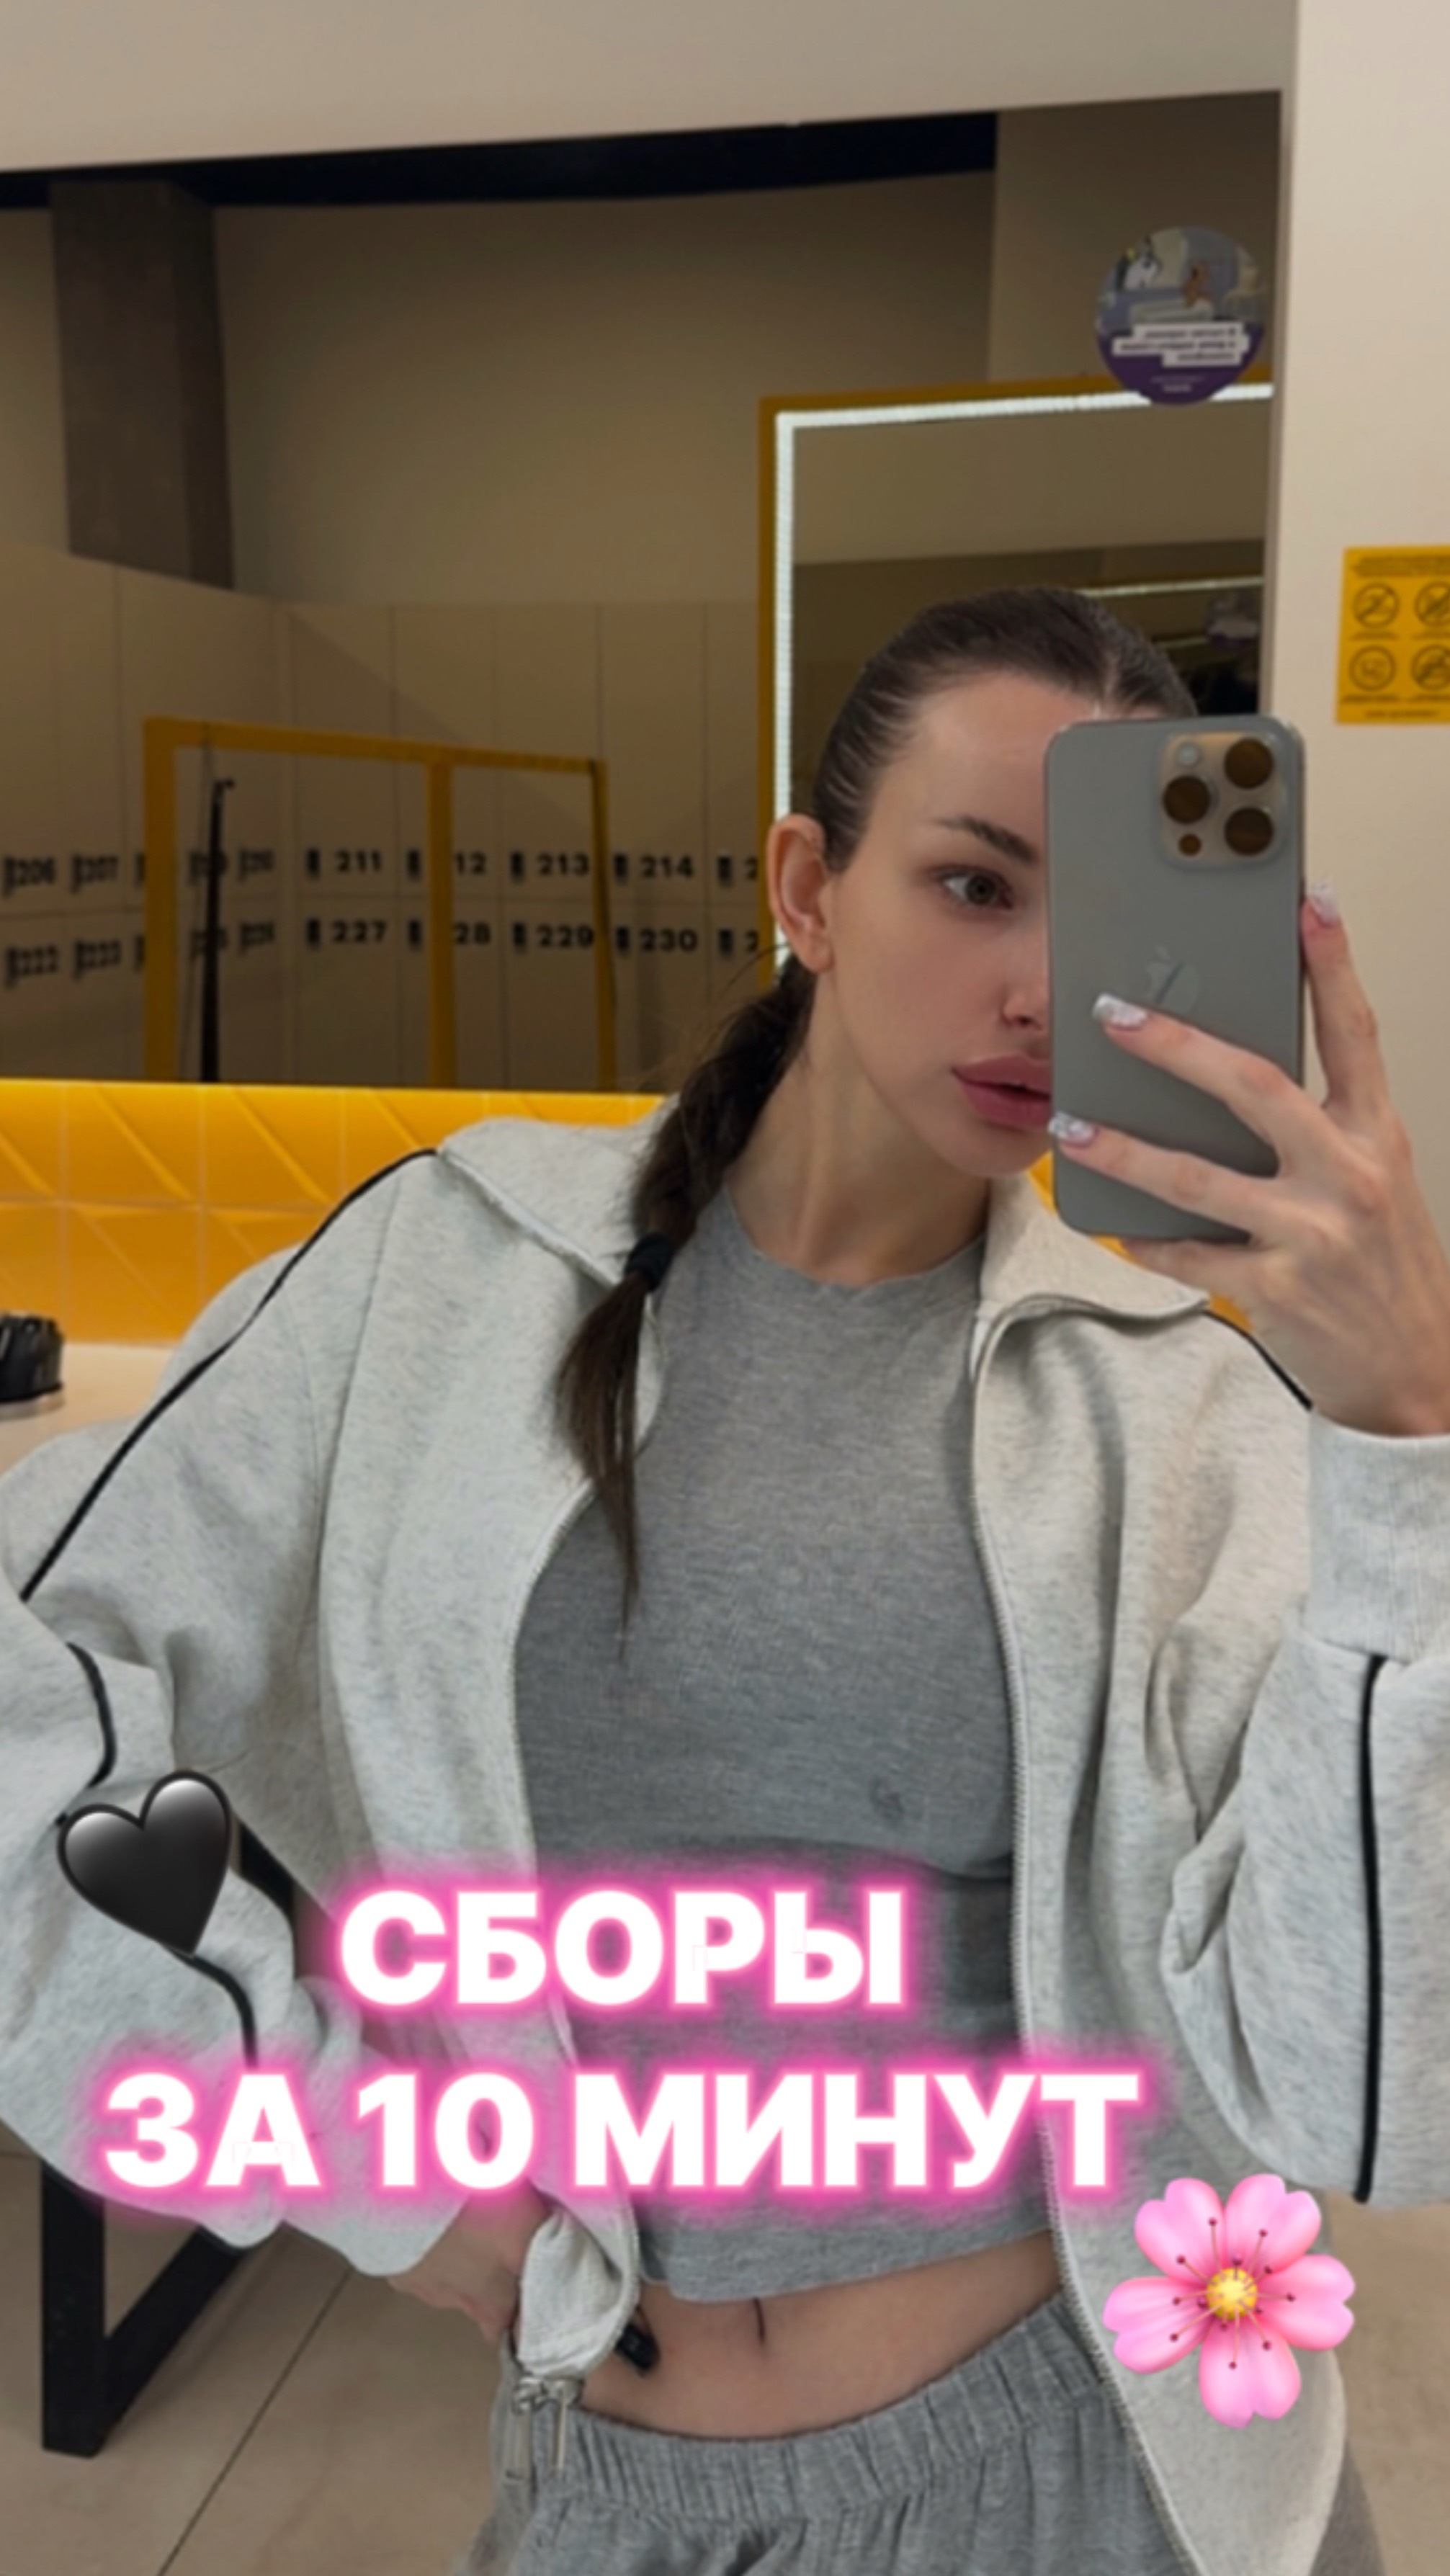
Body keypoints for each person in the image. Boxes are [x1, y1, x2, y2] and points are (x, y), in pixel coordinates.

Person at [1, 588, 1438, 2576]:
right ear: (809, 889)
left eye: (1099, 915)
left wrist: (1404, 1443)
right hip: (614, 2474)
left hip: (1097, 2459)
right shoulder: (449, 1268)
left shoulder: (1185, 1410)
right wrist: (351, 2163)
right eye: (972, 884)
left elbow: (1378, 2099)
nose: (1041, 989)